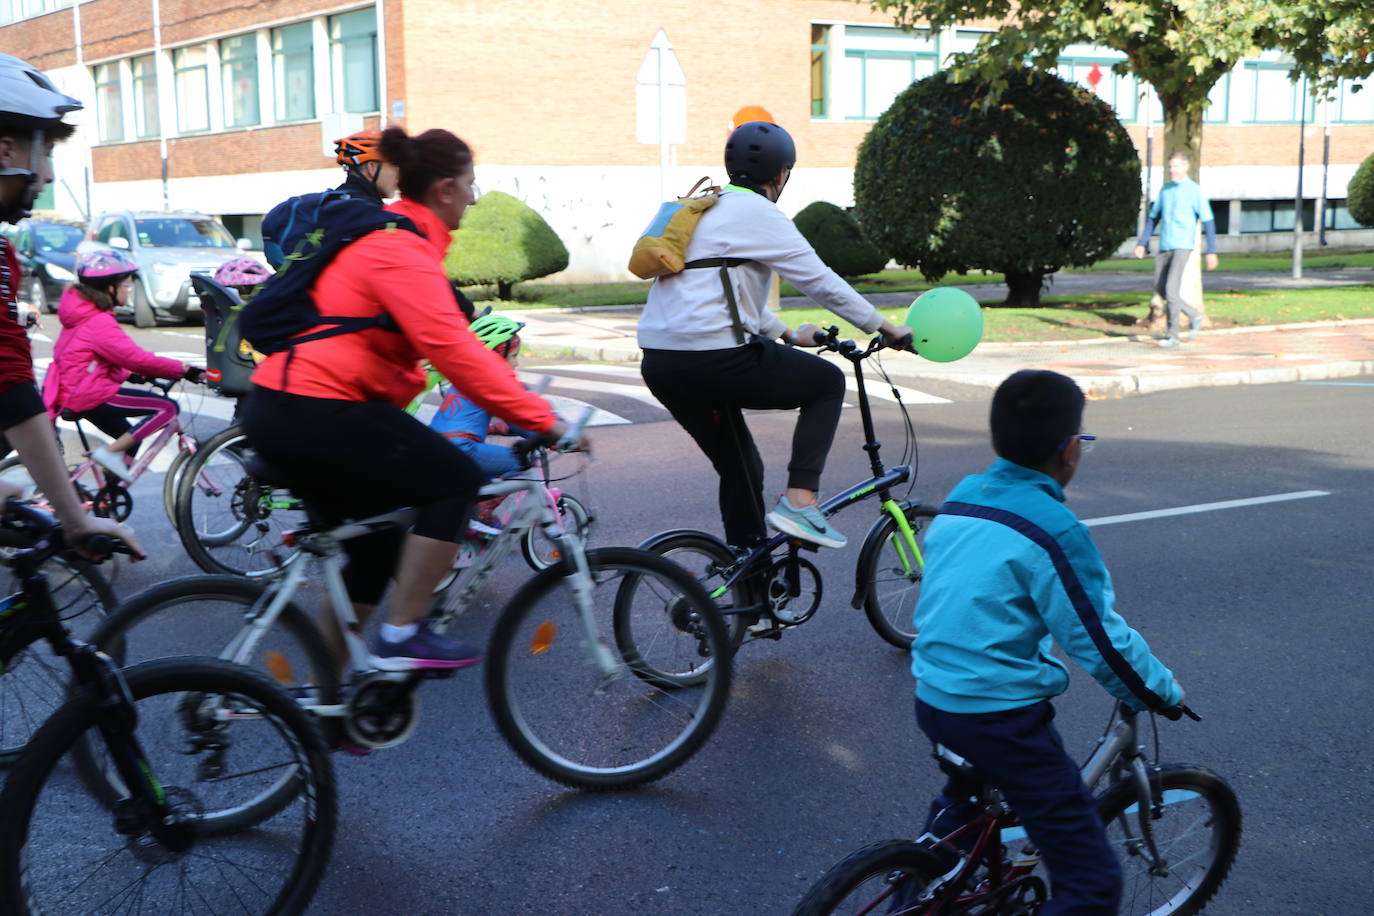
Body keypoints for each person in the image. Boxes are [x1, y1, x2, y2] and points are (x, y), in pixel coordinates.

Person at [241, 126, 574, 670]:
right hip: (314, 407)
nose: (474, 196)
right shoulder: (398, 248)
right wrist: (545, 421)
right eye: (470, 185)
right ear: (444, 188)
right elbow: (459, 354)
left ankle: (326, 704)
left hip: (295, 406)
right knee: (456, 480)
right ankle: (405, 633)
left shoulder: (401, 241)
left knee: (374, 553)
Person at [910, 369, 1185, 915]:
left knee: (964, 809)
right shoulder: (1053, 528)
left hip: (934, 694)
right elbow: (1097, 637)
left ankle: (916, 882)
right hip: (998, 716)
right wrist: (1159, 691)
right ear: (1068, 450)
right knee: (1093, 885)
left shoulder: (964, 497)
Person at [637, 120, 911, 553]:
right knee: (826, 383)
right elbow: (820, 281)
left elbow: (719, 290)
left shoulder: (706, 207)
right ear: (781, 175)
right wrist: (885, 326)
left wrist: (785, 332)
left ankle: (749, 586)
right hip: (716, 359)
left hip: (662, 362)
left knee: (741, 467)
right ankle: (801, 503)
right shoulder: (759, 212)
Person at [0, 53, 140, 555]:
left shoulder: (4, 254)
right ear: (6, 149)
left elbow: (9, 368)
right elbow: (9, 378)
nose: (50, 175)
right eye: (47, 152)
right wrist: (75, 518)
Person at [41, 248, 205, 483]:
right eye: (126, 285)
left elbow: (93, 359)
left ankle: (109, 497)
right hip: (89, 394)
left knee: (128, 437)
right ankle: (106, 455)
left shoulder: (82, 315)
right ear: (110, 287)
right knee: (167, 409)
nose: (129, 290)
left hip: (74, 392)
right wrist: (185, 370)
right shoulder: (97, 321)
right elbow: (137, 358)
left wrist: (133, 376)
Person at [261, 129, 401, 268]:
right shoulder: (364, 213)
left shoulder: (337, 204)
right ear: (372, 167)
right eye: (395, 166)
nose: (399, 175)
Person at [427, 312, 533, 482]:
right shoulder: (495, 380)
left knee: (483, 482)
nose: (516, 363)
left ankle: (476, 507)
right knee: (521, 462)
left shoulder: (465, 377)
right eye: (513, 356)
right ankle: (485, 508)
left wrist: (497, 428)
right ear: (497, 356)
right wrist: (556, 435)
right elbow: (523, 417)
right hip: (464, 448)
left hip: (436, 444)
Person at [1133, 150, 1219, 349]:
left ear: (1186, 167)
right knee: (1160, 288)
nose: (1172, 170)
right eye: (1170, 166)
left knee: (1171, 290)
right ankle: (1193, 314)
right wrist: (1142, 242)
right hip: (1165, 245)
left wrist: (1211, 251)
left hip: (1182, 246)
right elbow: (1153, 218)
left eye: (1176, 166)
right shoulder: (1166, 190)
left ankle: (1173, 336)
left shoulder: (1194, 191)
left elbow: (1208, 221)